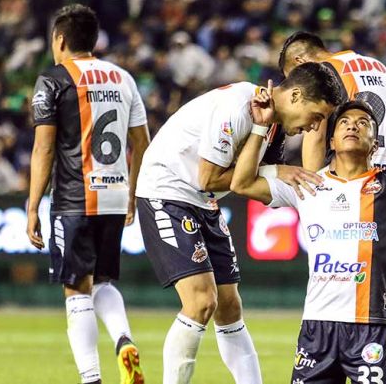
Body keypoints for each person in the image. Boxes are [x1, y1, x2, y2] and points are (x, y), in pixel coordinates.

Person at [229, 89, 386, 383]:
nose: (353, 125)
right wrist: (259, 127)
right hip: (317, 330)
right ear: (331, 140)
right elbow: (241, 184)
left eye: (363, 122)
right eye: (344, 122)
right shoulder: (307, 184)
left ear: (374, 145)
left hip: (371, 328)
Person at [135, 62, 343, 384]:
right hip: (167, 189)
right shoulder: (241, 106)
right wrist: (275, 171)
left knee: (229, 306)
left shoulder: (270, 124)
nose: (315, 127)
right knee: (202, 301)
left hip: (203, 201)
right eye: (316, 116)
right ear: (297, 96)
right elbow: (209, 177)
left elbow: (250, 182)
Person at [279, 31, 386, 384]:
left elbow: (316, 133)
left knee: (338, 290)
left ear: (301, 64)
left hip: (355, 192)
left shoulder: (325, 75)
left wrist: (314, 191)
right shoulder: (377, 67)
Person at [26, 4, 150, 384]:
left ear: (60, 39)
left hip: (75, 199)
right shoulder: (124, 78)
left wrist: (32, 206)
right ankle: (124, 338)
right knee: (103, 283)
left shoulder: (53, 80)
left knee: (75, 289)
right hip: (114, 196)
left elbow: (44, 149)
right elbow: (142, 142)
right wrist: (131, 193)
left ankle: (91, 378)